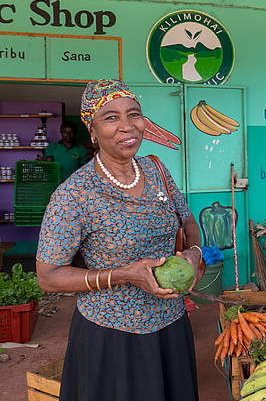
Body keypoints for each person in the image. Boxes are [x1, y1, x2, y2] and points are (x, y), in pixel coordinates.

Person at [36, 79, 204, 401]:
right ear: (93, 131)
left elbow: (188, 220)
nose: (127, 126)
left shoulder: (157, 171)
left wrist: (194, 254)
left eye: (134, 114)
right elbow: (48, 277)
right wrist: (124, 274)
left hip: (170, 323)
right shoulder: (75, 194)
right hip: (111, 334)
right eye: (111, 117)